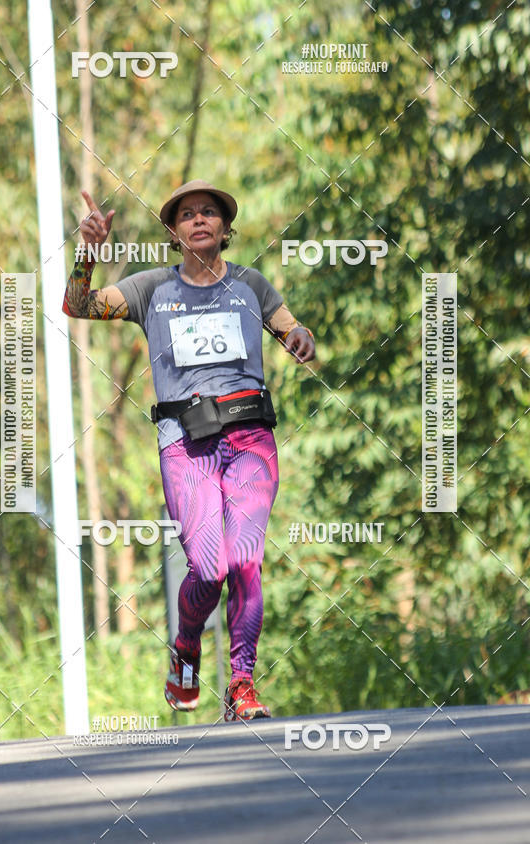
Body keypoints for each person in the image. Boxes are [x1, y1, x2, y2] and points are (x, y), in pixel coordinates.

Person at [63, 179, 315, 721]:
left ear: (226, 230)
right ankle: (187, 648)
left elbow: (292, 326)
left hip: (251, 437)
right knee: (209, 565)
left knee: (246, 558)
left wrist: (300, 338)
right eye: (187, 215)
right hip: (184, 442)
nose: (199, 220)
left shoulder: (252, 286)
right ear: (174, 233)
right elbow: (77, 304)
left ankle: (242, 684)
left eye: (209, 213)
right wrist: (87, 251)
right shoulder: (151, 288)